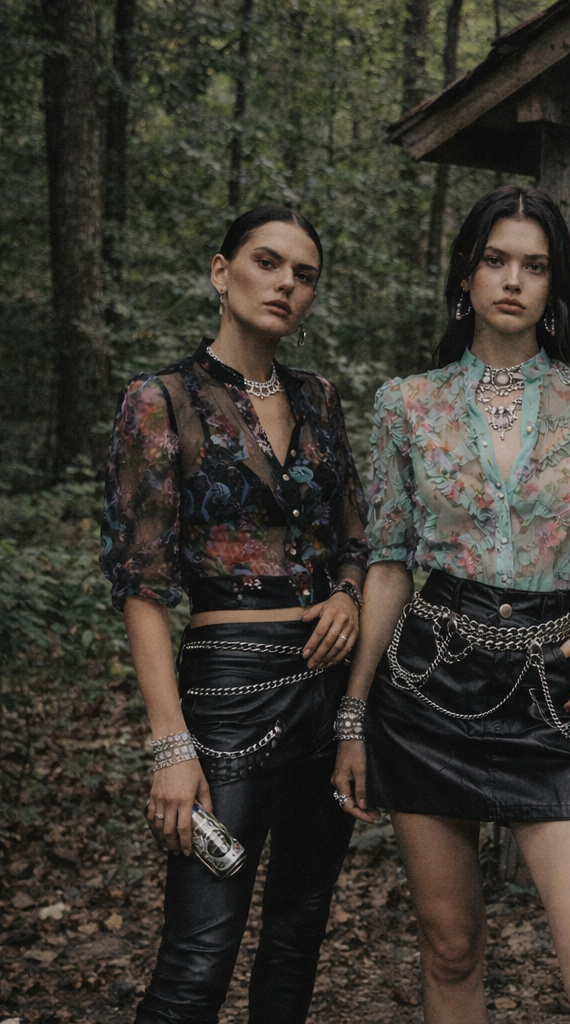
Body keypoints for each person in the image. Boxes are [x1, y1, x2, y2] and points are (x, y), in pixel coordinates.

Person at [331, 184, 570, 1024]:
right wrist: (353, 711)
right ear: (467, 275)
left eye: (535, 265)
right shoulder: (408, 403)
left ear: (557, 286)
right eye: (496, 259)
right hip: (428, 686)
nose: (513, 279)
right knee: (450, 946)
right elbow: (390, 560)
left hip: (554, 693)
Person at [100, 205, 368, 1024]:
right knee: (199, 955)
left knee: (296, 940)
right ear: (223, 272)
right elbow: (141, 585)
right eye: (267, 261)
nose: (286, 282)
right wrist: (170, 747)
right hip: (229, 695)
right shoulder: (161, 401)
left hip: (325, 689)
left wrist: (351, 595)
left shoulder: (320, 399)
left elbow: (360, 539)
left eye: (304, 273)